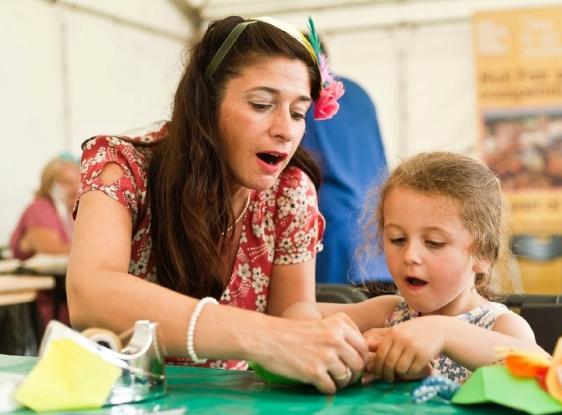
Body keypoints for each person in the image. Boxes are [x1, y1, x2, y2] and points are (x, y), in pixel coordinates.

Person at [66, 16, 367, 394]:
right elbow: (89, 294)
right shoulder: (122, 167)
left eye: (298, 113)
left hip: (236, 405)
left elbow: (293, 324)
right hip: (125, 402)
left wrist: (383, 319)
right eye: (261, 104)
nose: (285, 130)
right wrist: (264, 337)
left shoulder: (290, 192)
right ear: (206, 103)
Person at [284, 152, 547, 384]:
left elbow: (546, 371)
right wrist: (342, 346)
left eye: (433, 243)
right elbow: (297, 312)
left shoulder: (501, 326)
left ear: (482, 254)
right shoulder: (389, 312)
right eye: (397, 239)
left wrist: (444, 332)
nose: (410, 255)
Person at [301, 51, 391, 285]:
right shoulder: (359, 93)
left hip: (333, 237)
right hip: (377, 233)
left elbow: (301, 168)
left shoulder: (304, 98)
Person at [10, 155, 80, 261]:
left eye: (79, 181)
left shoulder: (72, 213)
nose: (76, 188)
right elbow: (51, 250)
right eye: (67, 182)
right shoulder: (40, 209)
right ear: (51, 185)